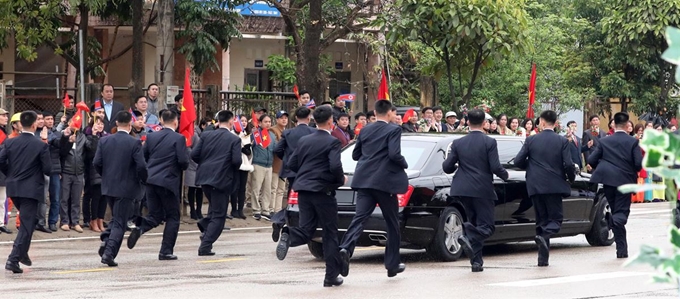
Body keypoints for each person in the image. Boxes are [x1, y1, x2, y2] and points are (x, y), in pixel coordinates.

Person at [275, 106, 346, 287]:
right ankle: (330, 276)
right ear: (331, 122)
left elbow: (292, 163)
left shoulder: (305, 140)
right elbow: (335, 166)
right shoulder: (333, 142)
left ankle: (288, 234)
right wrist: (340, 180)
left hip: (303, 190)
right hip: (322, 191)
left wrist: (306, 175)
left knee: (306, 229)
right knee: (330, 233)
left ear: (315, 121)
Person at [339, 100, 408, 278]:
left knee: (359, 218)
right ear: (389, 113)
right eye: (394, 112)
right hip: (384, 182)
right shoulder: (394, 130)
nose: (395, 116)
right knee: (392, 223)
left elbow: (355, 154)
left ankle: (346, 248)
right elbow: (394, 154)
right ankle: (392, 264)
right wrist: (403, 163)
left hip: (363, 179)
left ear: (375, 112)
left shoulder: (365, 129)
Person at [443, 109, 508, 272]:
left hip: (462, 189)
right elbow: (495, 166)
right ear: (484, 123)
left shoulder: (458, 143)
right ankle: (466, 236)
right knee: (486, 227)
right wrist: (505, 175)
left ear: (468, 122)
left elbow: (447, 167)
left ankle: (476, 262)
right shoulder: (490, 142)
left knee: (473, 224)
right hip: (482, 189)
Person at [514, 110, 575, 267]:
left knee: (541, 220)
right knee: (555, 219)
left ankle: (542, 260)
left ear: (541, 122)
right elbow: (568, 164)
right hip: (554, 185)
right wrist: (571, 178)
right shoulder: (562, 141)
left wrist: (533, 168)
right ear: (555, 124)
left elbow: (518, 161)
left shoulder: (531, 140)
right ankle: (544, 238)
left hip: (535, 184)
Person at [127, 110, 189, 260]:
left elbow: (144, 156)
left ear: (161, 121)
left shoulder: (152, 136)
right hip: (168, 182)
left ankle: (140, 228)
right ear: (176, 122)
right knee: (173, 216)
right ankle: (165, 251)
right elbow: (183, 161)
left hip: (152, 180)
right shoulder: (179, 138)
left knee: (155, 215)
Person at [94, 111, 147, 267]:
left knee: (117, 218)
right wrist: (143, 179)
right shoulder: (134, 142)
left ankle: (106, 240)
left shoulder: (104, 141)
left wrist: (106, 175)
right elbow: (141, 166)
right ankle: (109, 253)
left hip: (109, 186)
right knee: (120, 223)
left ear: (116, 123)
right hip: (127, 187)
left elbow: (97, 163)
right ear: (130, 124)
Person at [587, 112, 643, 259]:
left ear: (614, 124)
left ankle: (621, 250)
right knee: (621, 214)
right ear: (626, 125)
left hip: (608, 181)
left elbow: (592, 160)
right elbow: (638, 164)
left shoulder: (605, 141)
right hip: (625, 181)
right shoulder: (633, 142)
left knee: (616, 211)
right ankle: (611, 220)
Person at [2, 111, 51, 273]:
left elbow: (1, 160)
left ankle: (23, 253)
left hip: (14, 187)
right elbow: (48, 169)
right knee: (27, 225)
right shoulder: (40, 145)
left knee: (28, 222)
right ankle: (14, 258)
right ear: (34, 124)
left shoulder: (10, 143)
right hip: (30, 189)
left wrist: (10, 173)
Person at [191, 110, 242, 256]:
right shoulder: (234, 139)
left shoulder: (206, 135)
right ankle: (205, 245)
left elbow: (194, 155)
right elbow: (236, 161)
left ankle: (205, 227)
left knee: (214, 210)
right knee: (219, 216)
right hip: (221, 179)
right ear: (231, 122)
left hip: (205, 178)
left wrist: (206, 164)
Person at [271, 107, 316, 242]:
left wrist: (287, 160)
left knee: (293, 201)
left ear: (296, 118)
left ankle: (280, 220)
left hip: (292, 171)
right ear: (309, 118)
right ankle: (292, 226)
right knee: (307, 202)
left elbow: (277, 149)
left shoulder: (289, 133)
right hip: (309, 171)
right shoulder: (314, 132)